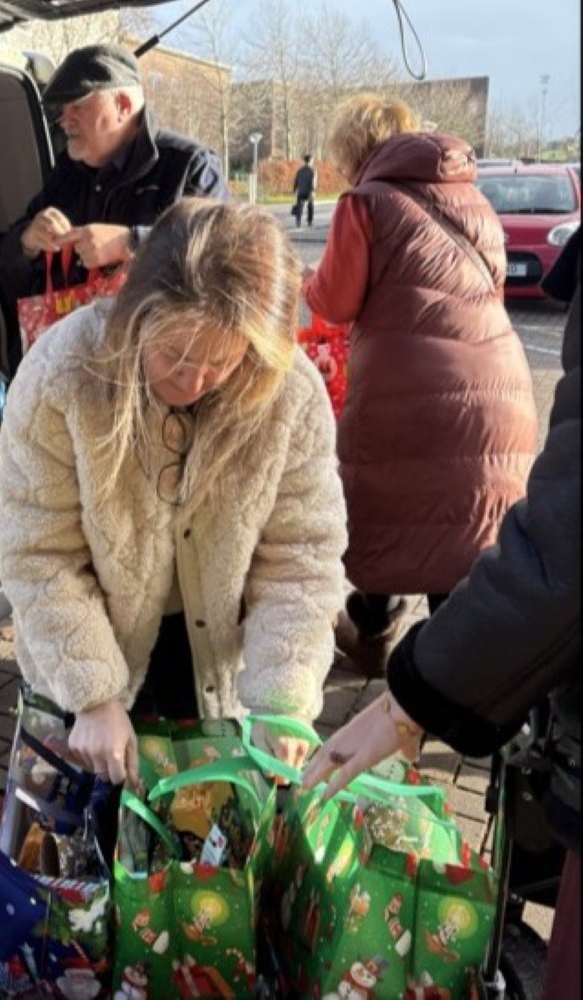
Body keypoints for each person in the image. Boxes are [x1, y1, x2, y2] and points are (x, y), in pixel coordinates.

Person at [303, 231, 580, 1000]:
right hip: (498, 426)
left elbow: (563, 557)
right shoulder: (470, 209)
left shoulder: (365, 206)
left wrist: (411, 700)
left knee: (411, 573)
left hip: (412, 428)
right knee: (457, 571)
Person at [0, 198, 348, 788]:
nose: (193, 381)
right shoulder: (61, 372)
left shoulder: (290, 392)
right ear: (135, 315)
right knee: (80, 845)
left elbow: (301, 557)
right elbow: (39, 552)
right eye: (174, 355)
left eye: (220, 363)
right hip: (86, 646)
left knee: (202, 849)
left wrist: (283, 697)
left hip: (213, 659)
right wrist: (93, 693)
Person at [302, 92, 538, 677]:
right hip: (498, 380)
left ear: (355, 150)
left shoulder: (366, 202)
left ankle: (387, 643)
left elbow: (335, 299)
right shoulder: (476, 199)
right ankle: (461, 673)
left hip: (413, 390)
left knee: (393, 515)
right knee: (462, 531)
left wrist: (306, 281)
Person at [0, 44, 228, 367]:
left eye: (78, 106)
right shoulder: (66, 173)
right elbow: (4, 272)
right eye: (63, 109)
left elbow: (218, 265)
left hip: (153, 377)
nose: (64, 120)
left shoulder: (189, 166)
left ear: (123, 105)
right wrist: (27, 242)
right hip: (68, 370)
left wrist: (129, 243)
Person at [292, 153, 316, 227]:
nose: (313, 162)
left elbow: (296, 180)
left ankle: (298, 221)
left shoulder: (300, 170)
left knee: (299, 206)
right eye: (312, 160)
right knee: (310, 206)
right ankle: (309, 221)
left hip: (301, 191)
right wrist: (313, 191)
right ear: (310, 161)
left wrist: (294, 189)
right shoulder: (313, 171)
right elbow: (313, 182)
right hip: (309, 191)